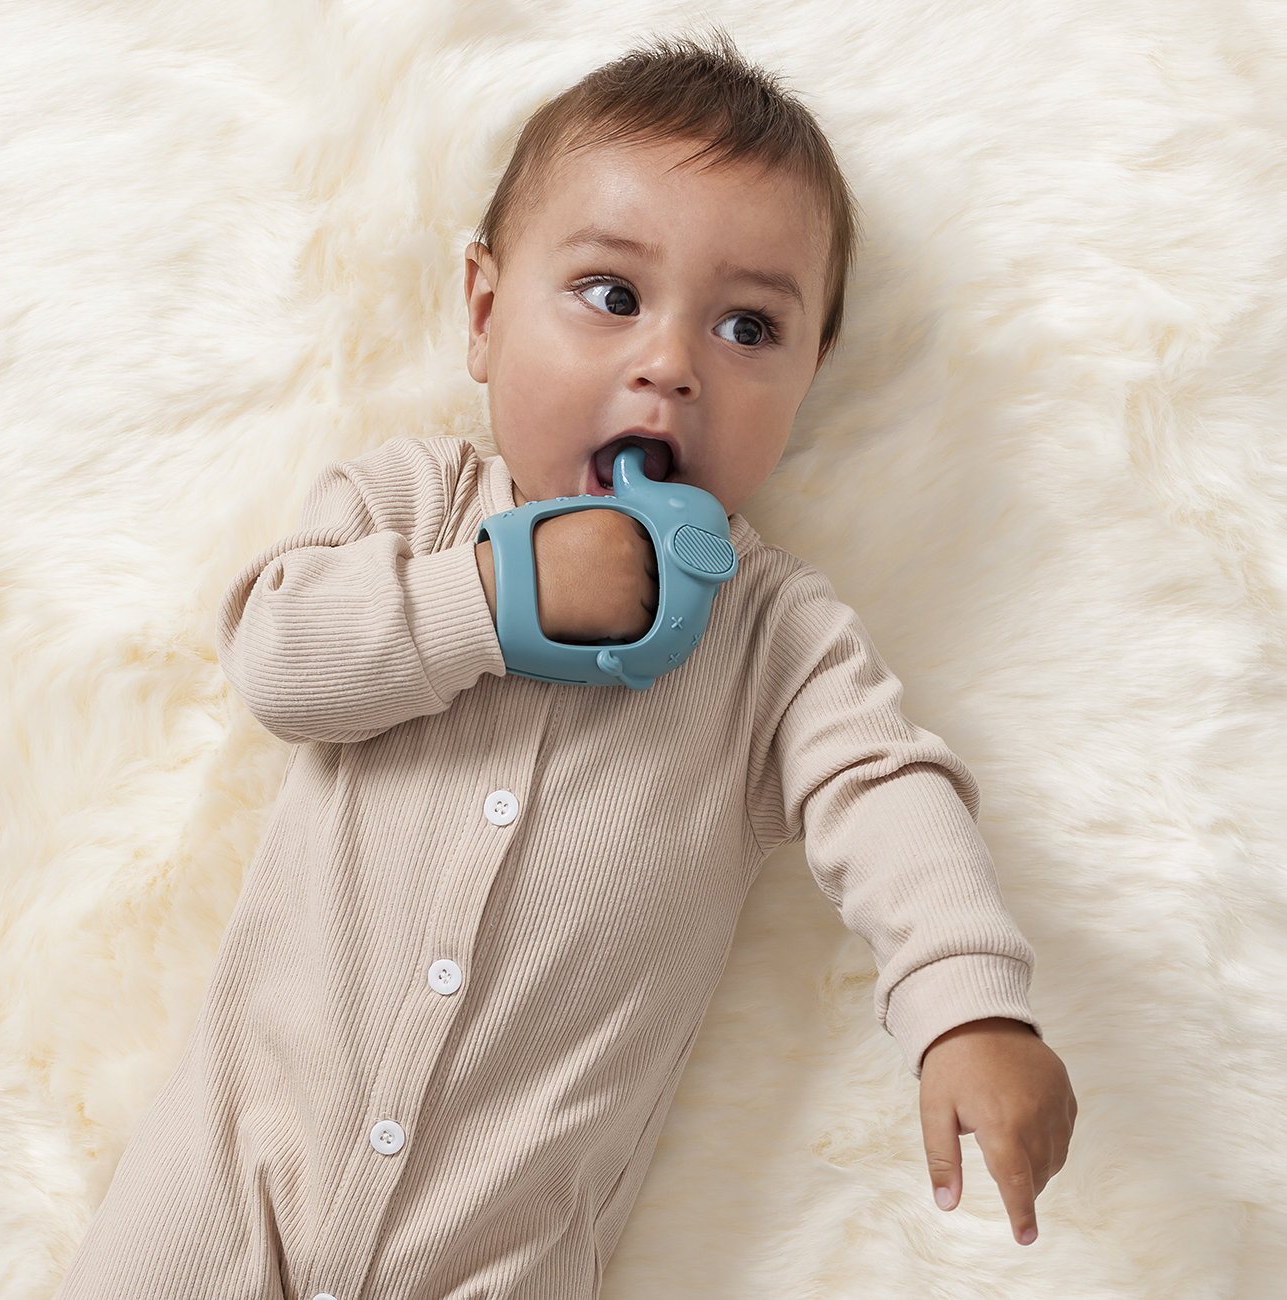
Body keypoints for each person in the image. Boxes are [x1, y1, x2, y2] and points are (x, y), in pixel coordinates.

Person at [55, 34, 1075, 1300]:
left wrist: (968, 1003)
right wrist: (487, 597)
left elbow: (887, 793)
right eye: (609, 293)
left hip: (504, 1244)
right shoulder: (414, 505)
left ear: (808, 378)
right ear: (483, 315)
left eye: (748, 325)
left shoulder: (775, 638)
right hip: (232, 1170)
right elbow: (278, 657)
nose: (668, 362)